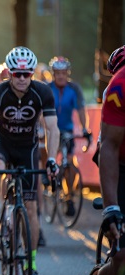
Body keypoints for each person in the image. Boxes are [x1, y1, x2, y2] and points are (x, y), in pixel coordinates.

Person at [0, 46, 60, 275]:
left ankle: (31, 264)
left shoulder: (43, 92)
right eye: (17, 74)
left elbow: (52, 128)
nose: (23, 79)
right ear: (9, 73)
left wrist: (53, 159)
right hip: (3, 144)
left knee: (32, 207)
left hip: (28, 149)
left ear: (33, 74)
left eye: (27, 74)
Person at [89, 45, 125, 275]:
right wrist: (112, 206)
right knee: (123, 257)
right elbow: (109, 147)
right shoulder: (120, 86)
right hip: (123, 163)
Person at [47, 56, 92, 214]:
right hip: (49, 130)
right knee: (46, 156)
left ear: (68, 73)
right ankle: (46, 182)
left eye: (63, 73)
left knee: (70, 163)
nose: (60, 76)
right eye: (57, 73)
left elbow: (80, 110)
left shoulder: (74, 89)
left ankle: (70, 195)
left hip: (66, 130)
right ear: (53, 74)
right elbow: (40, 111)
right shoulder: (47, 88)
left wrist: (84, 129)